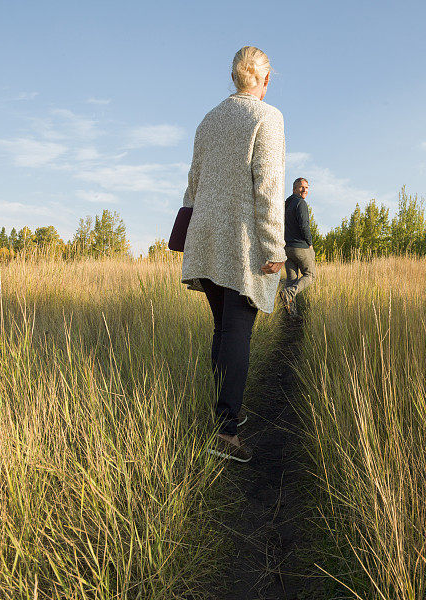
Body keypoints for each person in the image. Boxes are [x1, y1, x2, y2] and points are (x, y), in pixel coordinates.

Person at [180, 46, 286, 463]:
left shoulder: (208, 120)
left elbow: (193, 182)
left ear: (234, 77)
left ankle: (224, 418)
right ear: (264, 79)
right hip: (242, 244)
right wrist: (275, 247)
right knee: (237, 333)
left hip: (205, 240)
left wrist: (191, 235)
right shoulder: (267, 117)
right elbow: (269, 186)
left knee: (224, 330)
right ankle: (225, 434)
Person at [279, 178, 316, 315]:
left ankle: (291, 315)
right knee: (310, 275)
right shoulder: (301, 203)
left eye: (306, 187)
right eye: (301, 187)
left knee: (291, 280)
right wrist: (310, 244)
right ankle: (289, 293)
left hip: (286, 248)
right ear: (294, 189)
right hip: (300, 247)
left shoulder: (285, 204)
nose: (305, 190)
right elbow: (304, 226)